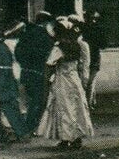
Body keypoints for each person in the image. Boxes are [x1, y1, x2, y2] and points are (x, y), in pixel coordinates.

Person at [36, 22, 94, 151]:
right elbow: (80, 64)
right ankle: (76, 137)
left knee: (64, 108)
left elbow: (49, 64)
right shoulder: (76, 45)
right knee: (76, 107)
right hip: (74, 78)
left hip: (63, 79)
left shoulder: (59, 47)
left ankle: (66, 138)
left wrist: (47, 79)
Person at [14, 10, 55, 136]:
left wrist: (24, 64)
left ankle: (29, 126)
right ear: (45, 22)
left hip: (26, 71)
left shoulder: (26, 34)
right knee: (38, 100)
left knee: (29, 100)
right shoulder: (46, 35)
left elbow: (18, 51)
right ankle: (31, 127)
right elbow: (49, 55)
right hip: (40, 71)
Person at [0, 24, 24, 144]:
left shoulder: (3, 46)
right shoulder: (5, 46)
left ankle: (14, 131)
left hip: (6, 78)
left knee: (8, 105)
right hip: (9, 77)